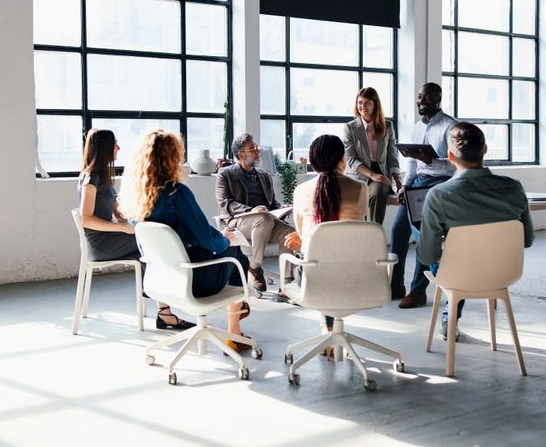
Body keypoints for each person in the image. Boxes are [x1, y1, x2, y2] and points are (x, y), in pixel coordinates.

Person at [119, 130, 253, 352]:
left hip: (160, 279)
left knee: (225, 251)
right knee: (237, 254)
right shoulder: (176, 194)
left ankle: (237, 312)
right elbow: (208, 240)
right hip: (193, 279)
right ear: (172, 158)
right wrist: (226, 239)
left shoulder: (135, 199)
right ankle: (234, 331)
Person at [416, 122, 535, 340]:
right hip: (503, 275)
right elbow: (527, 240)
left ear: (450, 156)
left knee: (424, 236)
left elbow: (427, 256)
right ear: (485, 150)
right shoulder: (514, 188)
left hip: (458, 277)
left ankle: (448, 316)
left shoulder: (438, 195)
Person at [78, 129, 193, 331]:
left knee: (148, 245)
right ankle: (166, 306)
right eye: (115, 144)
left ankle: (163, 310)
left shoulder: (103, 178)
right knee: (153, 244)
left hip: (110, 237)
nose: (118, 148)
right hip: (101, 244)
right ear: (105, 148)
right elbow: (86, 219)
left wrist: (136, 217)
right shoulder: (90, 179)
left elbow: (118, 212)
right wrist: (122, 228)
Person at [285, 135, 368, 342]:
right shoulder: (360, 189)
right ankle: (329, 329)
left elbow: (304, 235)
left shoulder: (301, 191)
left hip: (314, 279)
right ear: (343, 159)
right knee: (335, 257)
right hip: (356, 277)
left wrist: (302, 240)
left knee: (315, 258)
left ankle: (327, 329)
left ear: (313, 163)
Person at [391, 82, 458, 305]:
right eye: (419, 97)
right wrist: (405, 185)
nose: (420, 101)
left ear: (438, 100)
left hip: (439, 185)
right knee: (399, 229)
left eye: (426, 98)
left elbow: (456, 165)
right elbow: (411, 162)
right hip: (417, 183)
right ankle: (395, 286)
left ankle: (418, 290)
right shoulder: (417, 127)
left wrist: (431, 160)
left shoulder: (451, 127)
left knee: (424, 235)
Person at [216, 133, 295, 293]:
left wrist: (283, 208)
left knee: (290, 234)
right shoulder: (226, 174)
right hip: (238, 222)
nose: (258, 150)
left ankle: (286, 285)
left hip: (265, 220)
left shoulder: (264, 176)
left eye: (257, 146)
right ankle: (255, 267)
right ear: (241, 154)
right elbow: (225, 203)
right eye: (252, 148)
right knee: (263, 219)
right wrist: (251, 210)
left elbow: (272, 204)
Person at [342, 86, 401, 227]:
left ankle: (375, 233)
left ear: (375, 104)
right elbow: (350, 159)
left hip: (381, 174)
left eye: (367, 103)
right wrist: (371, 175)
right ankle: (361, 238)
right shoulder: (350, 127)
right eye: (360, 103)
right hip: (358, 174)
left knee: (377, 192)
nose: (363, 106)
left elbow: (392, 156)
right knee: (357, 204)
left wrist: (397, 180)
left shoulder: (388, 126)